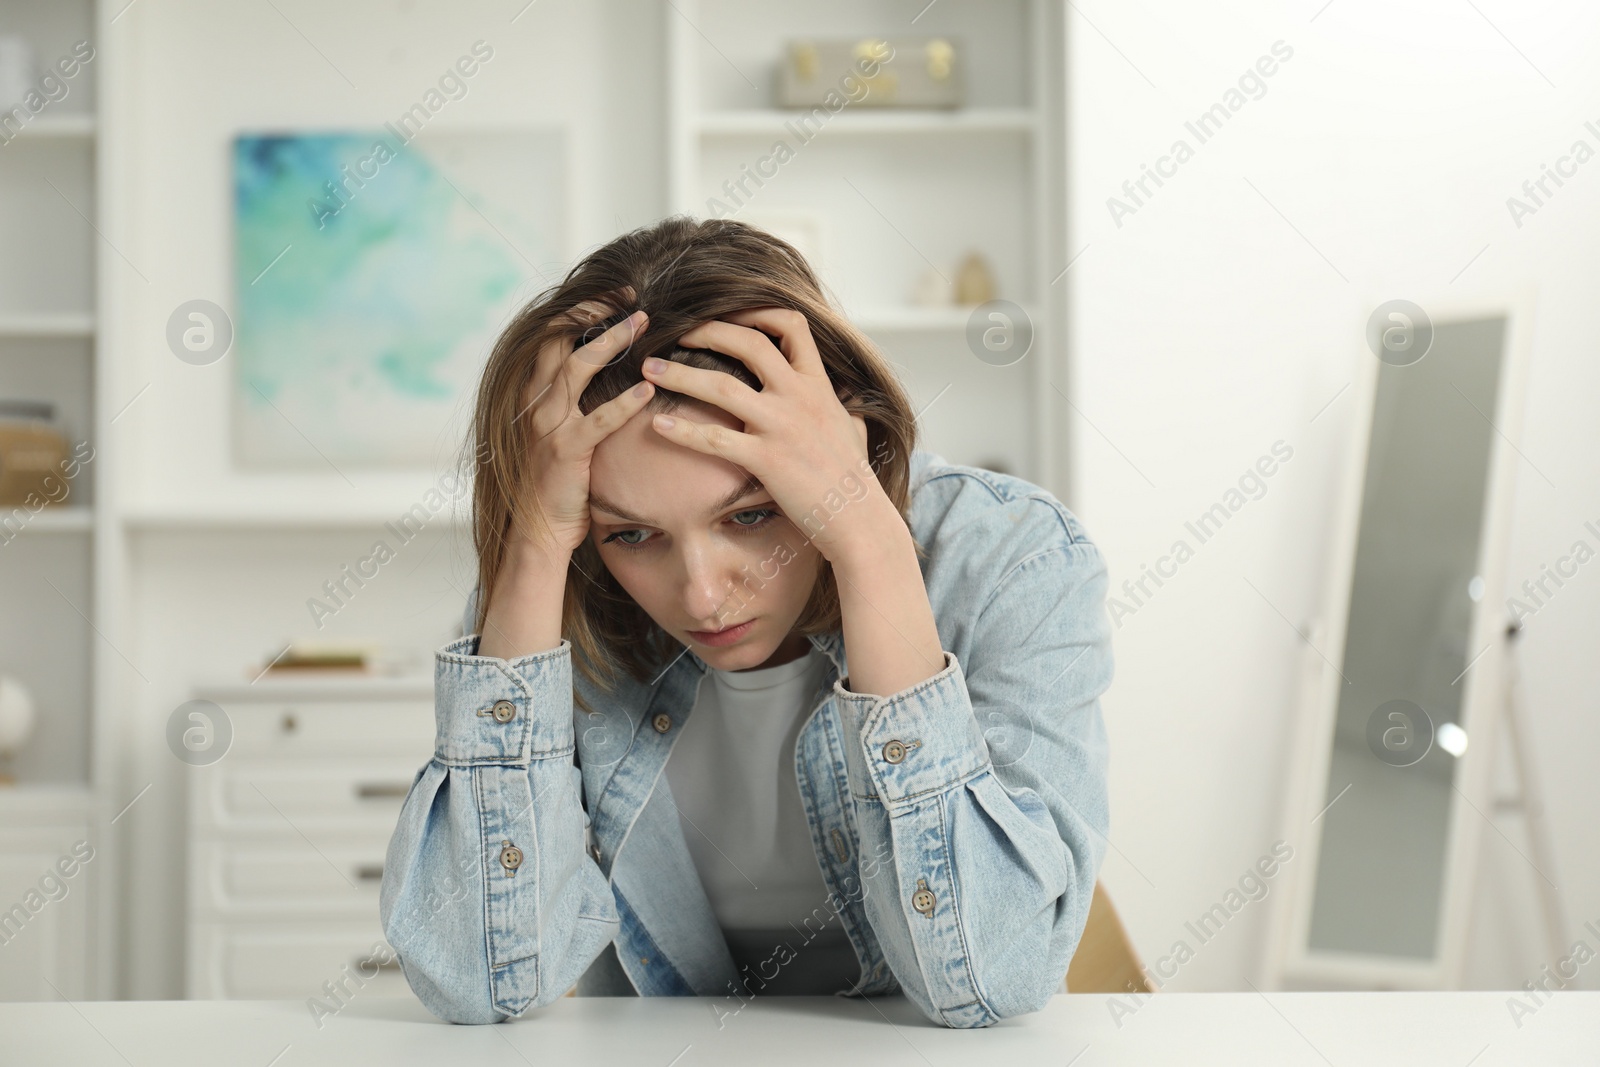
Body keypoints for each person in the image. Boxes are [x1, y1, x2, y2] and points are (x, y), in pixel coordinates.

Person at [379, 216, 1113, 1029]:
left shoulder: (1014, 560)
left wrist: (865, 538)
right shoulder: (554, 586)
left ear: (845, 439)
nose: (701, 596)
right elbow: (478, 982)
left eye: (753, 514)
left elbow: (990, 981)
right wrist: (536, 541)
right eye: (632, 533)